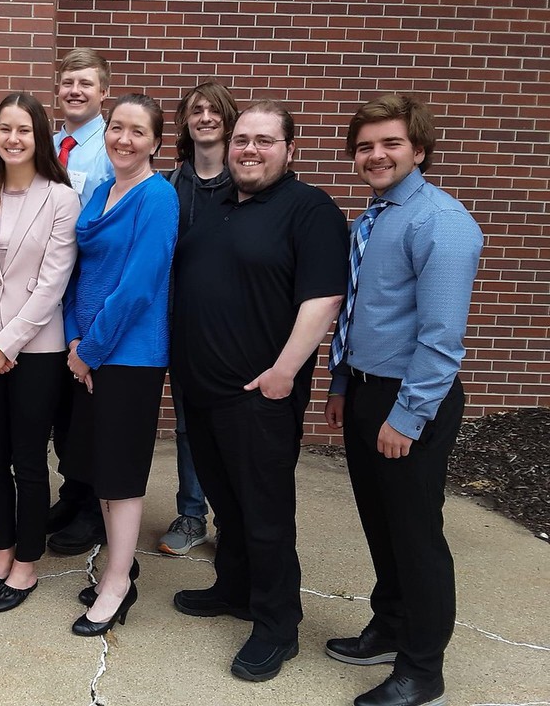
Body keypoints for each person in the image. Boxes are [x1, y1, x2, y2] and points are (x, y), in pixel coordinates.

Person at [170, 100, 349, 682]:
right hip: (203, 391)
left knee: (267, 513)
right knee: (228, 501)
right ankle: (236, 589)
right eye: (242, 138)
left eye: (264, 140)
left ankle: (277, 625)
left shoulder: (310, 209)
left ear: (288, 149)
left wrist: (284, 372)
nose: (249, 149)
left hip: (259, 396)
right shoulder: (216, 206)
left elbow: (323, 298)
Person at [324, 95, 483, 706]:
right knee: (381, 524)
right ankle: (389, 625)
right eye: (364, 146)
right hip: (367, 391)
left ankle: (423, 667)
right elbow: (361, 308)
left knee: (416, 535)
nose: (376, 154)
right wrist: (341, 385)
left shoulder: (439, 221)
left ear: (418, 150)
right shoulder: (374, 215)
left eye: (390, 143)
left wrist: (407, 415)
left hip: (411, 398)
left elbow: (442, 338)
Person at [0, 93, 79, 613]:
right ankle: (1, 554)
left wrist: (5, 344)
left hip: (37, 352)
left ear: (39, 136)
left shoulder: (61, 199)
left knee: (28, 459)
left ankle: (27, 563)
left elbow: (52, 284)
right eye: (4, 128)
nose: (12, 138)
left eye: (23, 129)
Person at [61, 93, 178, 636]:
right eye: (116, 129)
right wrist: (74, 339)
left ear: (156, 141)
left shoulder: (158, 198)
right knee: (100, 468)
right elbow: (77, 272)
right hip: (89, 352)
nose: (123, 139)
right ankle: (118, 565)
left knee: (122, 475)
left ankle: (116, 586)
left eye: (137, 131)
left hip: (128, 356)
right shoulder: (104, 189)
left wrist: (90, 349)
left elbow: (138, 287)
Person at [158, 79, 239, 557]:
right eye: (196, 111)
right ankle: (192, 515)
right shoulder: (169, 186)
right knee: (187, 424)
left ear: (229, 119)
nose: (205, 117)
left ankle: (233, 516)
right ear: (186, 123)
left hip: (232, 331)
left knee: (229, 426)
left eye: (214, 110)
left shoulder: (246, 183)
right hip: (180, 324)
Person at [47, 47, 116, 557]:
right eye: (68, 82)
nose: (75, 90)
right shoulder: (48, 146)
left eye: (85, 83)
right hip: (48, 295)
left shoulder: (111, 148)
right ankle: (71, 493)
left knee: (93, 407)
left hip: (89, 292)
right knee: (63, 409)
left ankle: (93, 507)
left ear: (103, 92)